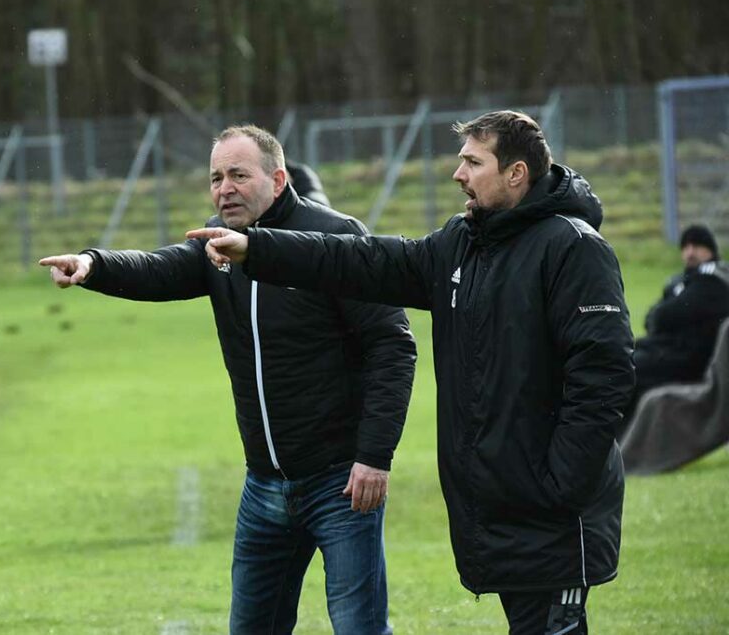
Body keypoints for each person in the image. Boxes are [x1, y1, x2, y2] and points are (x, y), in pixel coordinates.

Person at [190, 111, 635, 635]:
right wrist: (259, 248)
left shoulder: (573, 247)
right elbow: (364, 261)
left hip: (550, 505)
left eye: (473, 161)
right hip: (504, 499)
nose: (458, 174)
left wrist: (560, 481)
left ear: (516, 173)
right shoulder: (465, 243)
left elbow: (604, 377)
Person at [40, 125, 416, 634]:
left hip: (341, 483)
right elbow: (161, 268)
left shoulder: (334, 239)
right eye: (216, 177)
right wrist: (94, 264)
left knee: (359, 629)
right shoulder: (216, 243)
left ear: (278, 179)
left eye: (239, 175)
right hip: (264, 485)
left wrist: (374, 456)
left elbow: (392, 345)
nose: (224, 189)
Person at [627, 225, 729, 425]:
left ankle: (621, 443)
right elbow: (652, 318)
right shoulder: (682, 280)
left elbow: (663, 315)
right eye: (686, 247)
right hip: (668, 350)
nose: (690, 252)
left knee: (626, 369)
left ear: (710, 250)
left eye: (697, 246)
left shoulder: (713, 276)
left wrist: (663, 316)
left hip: (689, 359)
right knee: (619, 357)